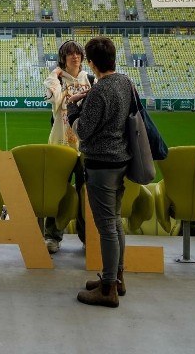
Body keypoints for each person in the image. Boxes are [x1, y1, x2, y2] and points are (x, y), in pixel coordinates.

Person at [66, 36, 133, 308]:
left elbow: (82, 130)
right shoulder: (125, 82)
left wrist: (73, 108)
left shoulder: (100, 90)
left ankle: (107, 289)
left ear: (91, 63)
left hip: (101, 164)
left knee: (106, 227)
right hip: (120, 160)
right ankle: (116, 278)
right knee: (115, 222)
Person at [42, 40, 91, 253]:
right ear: (63, 58)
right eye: (70, 54)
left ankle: (88, 237)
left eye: (78, 53)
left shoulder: (91, 79)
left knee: (86, 194)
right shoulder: (56, 81)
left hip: (85, 146)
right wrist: (55, 75)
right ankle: (53, 236)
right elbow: (53, 101)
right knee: (57, 193)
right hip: (60, 145)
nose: (75, 57)